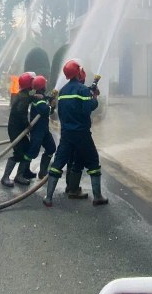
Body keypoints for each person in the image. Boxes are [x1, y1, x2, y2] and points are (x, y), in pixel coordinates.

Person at [42, 59, 107, 207]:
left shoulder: (63, 91)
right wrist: (94, 97)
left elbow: (64, 112)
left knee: (59, 163)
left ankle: (49, 197)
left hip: (66, 134)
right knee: (93, 162)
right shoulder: (83, 90)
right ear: (79, 73)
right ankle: (98, 197)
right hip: (82, 134)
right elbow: (87, 109)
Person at [19, 75, 57, 182]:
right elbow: (44, 110)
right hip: (37, 131)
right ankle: (21, 173)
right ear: (42, 86)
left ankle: (43, 172)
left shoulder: (42, 97)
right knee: (32, 152)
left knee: (51, 148)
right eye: (44, 84)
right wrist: (50, 105)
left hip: (44, 130)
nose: (46, 85)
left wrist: (52, 105)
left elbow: (49, 112)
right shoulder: (37, 99)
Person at [1, 72, 36, 187]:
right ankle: (5, 177)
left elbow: (28, 98)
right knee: (19, 153)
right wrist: (28, 125)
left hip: (17, 129)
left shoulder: (22, 94)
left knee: (27, 148)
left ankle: (22, 174)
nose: (33, 83)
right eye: (32, 81)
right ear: (28, 83)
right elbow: (21, 113)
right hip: (16, 130)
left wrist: (36, 96)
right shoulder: (23, 97)